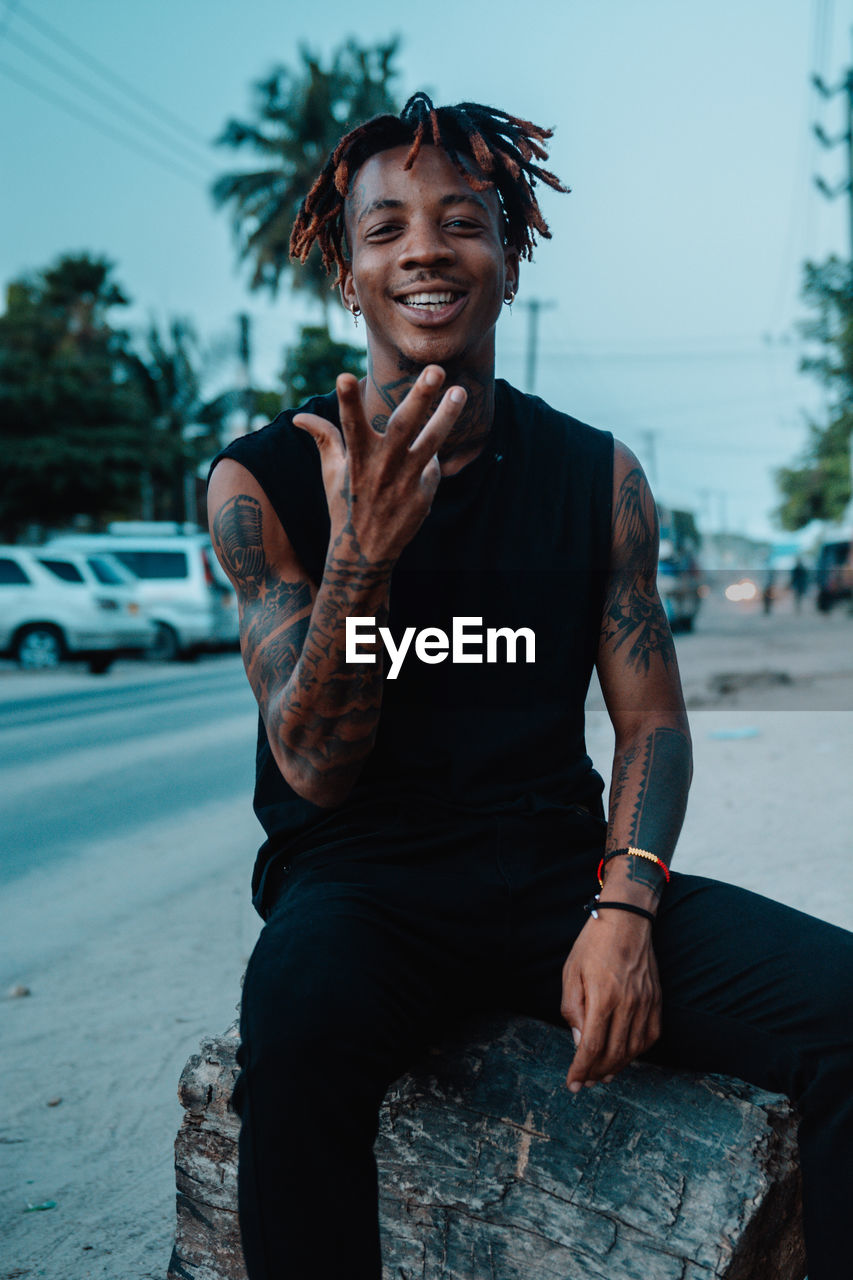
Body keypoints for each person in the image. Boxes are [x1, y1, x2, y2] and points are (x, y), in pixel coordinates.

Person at [207, 93, 852, 1280]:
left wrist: (624, 910)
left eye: (461, 220)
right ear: (347, 276)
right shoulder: (262, 481)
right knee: (292, 1031)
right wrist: (365, 554)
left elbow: (651, 719)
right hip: (359, 887)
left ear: (509, 255)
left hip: (555, 872)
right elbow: (313, 764)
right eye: (384, 228)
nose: (425, 250)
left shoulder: (596, 476)